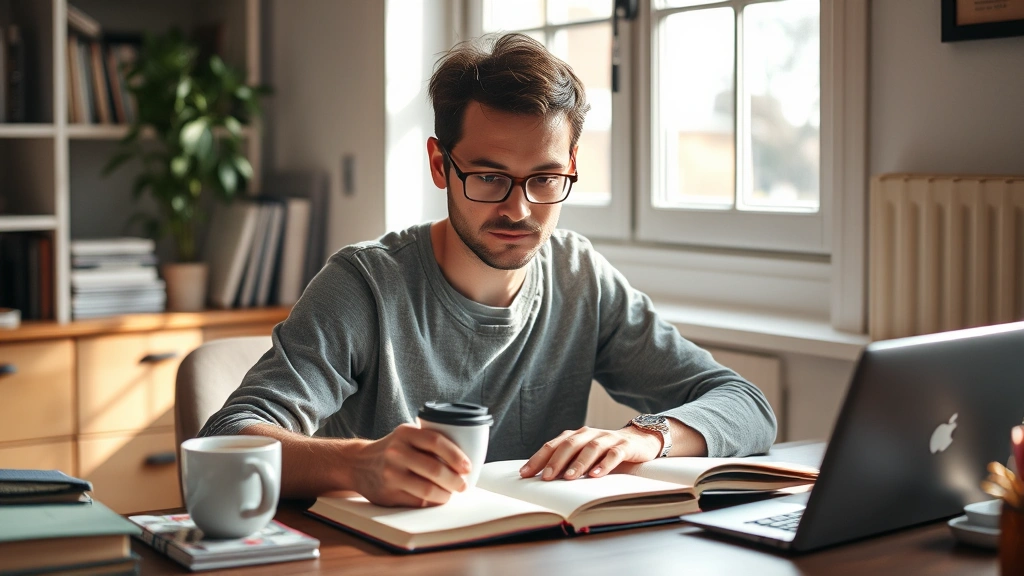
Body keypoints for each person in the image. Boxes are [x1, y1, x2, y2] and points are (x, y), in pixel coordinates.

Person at [199, 33, 776, 508]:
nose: (519, 210)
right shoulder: (365, 286)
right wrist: (359, 462)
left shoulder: (580, 278)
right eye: (490, 176)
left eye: (546, 178)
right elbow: (227, 436)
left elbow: (745, 404)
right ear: (438, 164)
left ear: (571, 166)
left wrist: (646, 438)